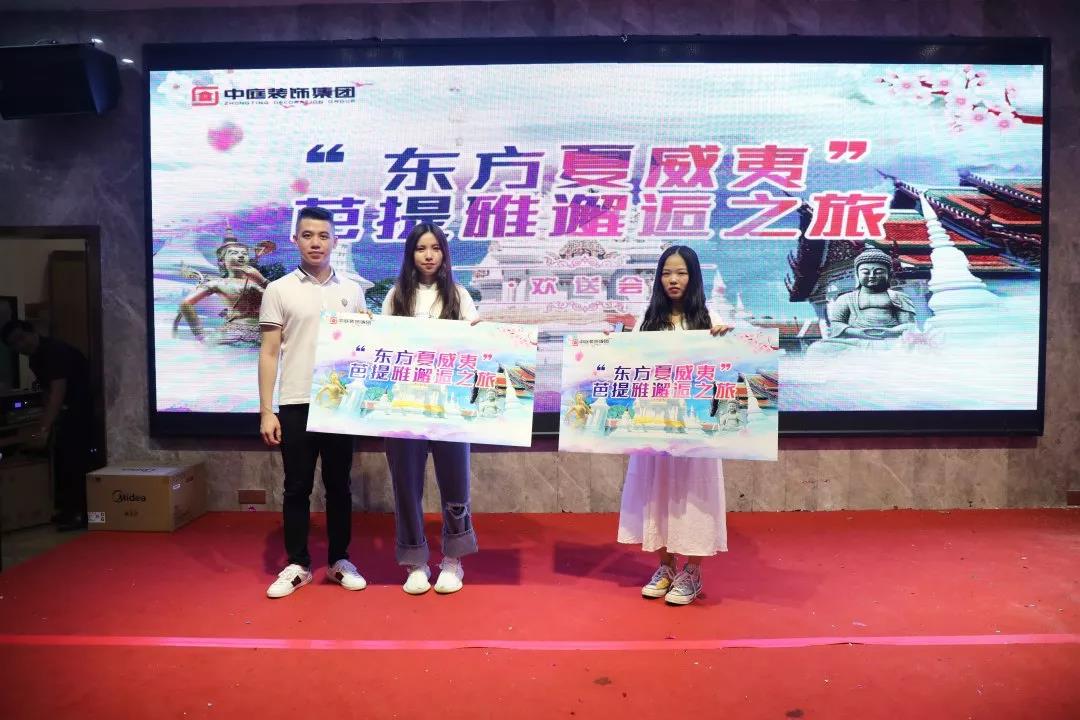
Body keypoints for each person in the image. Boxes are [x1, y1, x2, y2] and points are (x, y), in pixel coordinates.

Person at [258, 206, 367, 598]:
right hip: (295, 401)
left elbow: (362, 348)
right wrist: (267, 410)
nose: (316, 243)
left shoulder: (351, 290)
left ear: (334, 240)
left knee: (339, 486)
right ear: (295, 240)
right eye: (307, 235)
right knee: (296, 487)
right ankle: (298, 564)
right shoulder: (279, 289)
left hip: (339, 403)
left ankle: (339, 560)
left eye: (323, 236)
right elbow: (269, 352)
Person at [617, 245, 731, 606]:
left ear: (693, 276)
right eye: (667, 273)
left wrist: (727, 341)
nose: (673, 280)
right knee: (657, 492)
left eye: (681, 272)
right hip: (656, 425)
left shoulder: (711, 318)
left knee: (695, 495)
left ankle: (692, 571)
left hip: (696, 431)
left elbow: (730, 369)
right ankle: (665, 566)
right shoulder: (648, 320)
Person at [381, 222, 479, 595]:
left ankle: (453, 560)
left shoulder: (459, 295)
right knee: (406, 486)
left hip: (450, 408)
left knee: (456, 483)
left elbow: (476, 349)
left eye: (435, 248)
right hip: (404, 407)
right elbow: (381, 348)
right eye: (421, 248)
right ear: (411, 254)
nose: (428, 255)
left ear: (444, 254)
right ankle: (415, 562)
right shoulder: (396, 297)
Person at [1, 320, 93, 531]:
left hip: (80, 411)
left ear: (32, 332)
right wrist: (45, 419)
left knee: (76, 463)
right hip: (65, 413)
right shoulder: (35, 358)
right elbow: (46, 392)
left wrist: (44, 429)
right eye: (14, 344)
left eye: (21, 338)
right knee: (62, 462)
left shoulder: (53, 351)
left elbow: (57, 392)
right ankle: (68, 509)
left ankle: (81, 514)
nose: (20, 345)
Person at [174, 228, 272, 346]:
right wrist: (200, 336)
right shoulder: (219, 283)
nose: (241, 256)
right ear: (222, 261)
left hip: (263, 335)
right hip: (234, 335)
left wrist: (261, 279)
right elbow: (186, 303)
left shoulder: (256, 280)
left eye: (245, 254)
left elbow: (282, 299)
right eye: (234, 253)